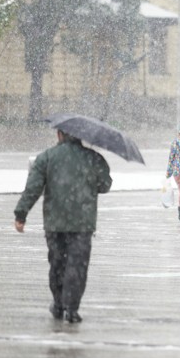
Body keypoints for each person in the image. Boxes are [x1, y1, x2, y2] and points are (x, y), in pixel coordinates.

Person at [14, 130, 112, 323]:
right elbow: (105, 185)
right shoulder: (93, 158)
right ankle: (72, 308)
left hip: (55, 222)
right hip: (83, 224)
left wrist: (21, 214)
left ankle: (58, 303)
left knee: (57, 264)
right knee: (78, 266)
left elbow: (33, 188)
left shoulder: (47, 157)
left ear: (59, 134)